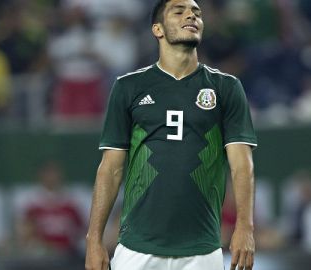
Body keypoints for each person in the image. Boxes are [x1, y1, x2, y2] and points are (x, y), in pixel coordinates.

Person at [85, 0, 257, 269]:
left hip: (203, 249)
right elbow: (110, 169)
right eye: (179, 11)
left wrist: (245, 227)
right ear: (158, 29)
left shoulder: (226, 88)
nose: (191, 15)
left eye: (196, 13)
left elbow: (241, 166)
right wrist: (94, 240)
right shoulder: (128, 87)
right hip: (137, 248)